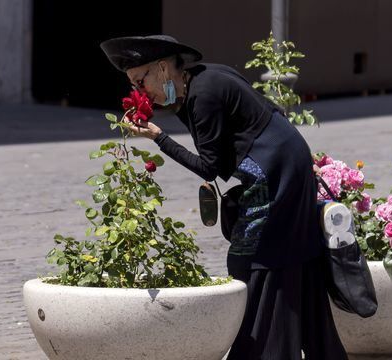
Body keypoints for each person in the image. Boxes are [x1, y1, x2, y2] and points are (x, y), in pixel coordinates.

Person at [101, 35, 348, 360]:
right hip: (284, 162)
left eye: (140, 80)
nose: (139, 91)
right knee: (289, 257)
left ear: (162, 68)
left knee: (255, 257)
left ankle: (264, 351)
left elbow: (209, 167)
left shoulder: (203, 97)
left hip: (274, 171)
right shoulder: (201, 80)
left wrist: (158, 138)